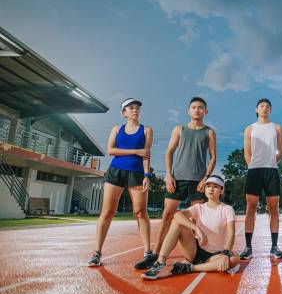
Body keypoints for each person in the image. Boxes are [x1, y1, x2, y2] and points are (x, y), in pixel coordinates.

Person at [146, 97, 216, 269]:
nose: (197, 110)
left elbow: (213, 156)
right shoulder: (179, 129)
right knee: (167, 215)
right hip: (177, 179)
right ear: (188, 110)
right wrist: (169, 176)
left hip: (198, 181)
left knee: (195, 219)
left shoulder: (209, 132)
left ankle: (192, 255)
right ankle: (155, 254)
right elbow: (169, 152)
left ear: (205, 111)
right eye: (193, 107)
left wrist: (206, 178)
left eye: (200, 108)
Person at [87, 98, 153, 267]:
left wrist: (147, 175)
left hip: (137, 172)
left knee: (140, 211)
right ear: (124, 112)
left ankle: (148, 253)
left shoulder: (147, 131)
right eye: (131, 108)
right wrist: (135, 151)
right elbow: (111, 150)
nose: (135, 110)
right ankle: (97, 253)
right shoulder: (117, 129)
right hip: (115, 171)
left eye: (137, 107)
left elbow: (146, 155)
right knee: (107, 212)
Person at [142, 175, 239, 279]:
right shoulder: (199, 208)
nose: (211, 189)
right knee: (177, 222)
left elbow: (231, 233)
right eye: (208, 186)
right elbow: (177, 215)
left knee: (234, 259)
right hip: (194, 251)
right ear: (205, 189)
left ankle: (190, 268)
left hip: (215, 255)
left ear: (221, 190)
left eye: (215, 186)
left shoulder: (227, 209)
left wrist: (226, 253)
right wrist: (197, 229)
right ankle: (160, 262)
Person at [240, 98, 282, 260]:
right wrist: (252, 166)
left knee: (273, 208)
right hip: (254, 171)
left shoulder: (277, 128)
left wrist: (271, 163)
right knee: (250, 207)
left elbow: (281, 151)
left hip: (271, 171)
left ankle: (274, 247)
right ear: (256, 109)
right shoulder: (249, 129)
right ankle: (248, 247)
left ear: (270, 110)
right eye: (261, 106)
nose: (264, 108)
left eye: (267, 106)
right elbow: (247, 151)